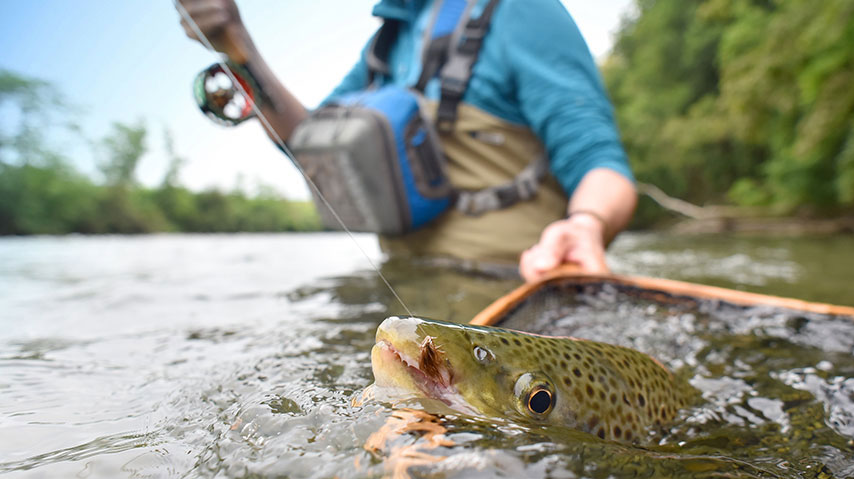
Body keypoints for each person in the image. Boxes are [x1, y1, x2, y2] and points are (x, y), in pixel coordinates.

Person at [176, 0, 637, 282]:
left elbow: (603, 165)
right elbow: (307, 143)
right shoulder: (387, 41)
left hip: (508, 291)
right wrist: (239, 48)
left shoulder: (524, 10)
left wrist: (588, 223)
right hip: (404, 289)